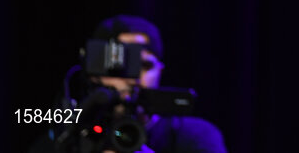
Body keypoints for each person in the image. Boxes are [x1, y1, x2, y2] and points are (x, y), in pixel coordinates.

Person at [29, 15, 227, 153]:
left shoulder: (193, 136)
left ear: (160, 71)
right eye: (120, 65)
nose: (132, 79)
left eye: (144, 65)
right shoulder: (67, 139)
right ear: (94, 73)